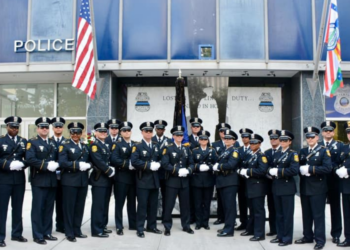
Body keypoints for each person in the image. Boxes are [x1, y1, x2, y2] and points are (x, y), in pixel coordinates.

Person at [295, 127, 332, 250]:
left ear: (317, 137)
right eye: (308, 137)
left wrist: (311, 169)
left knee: (318, 215)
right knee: (306, 214)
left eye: (312, 137)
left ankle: (320, 240)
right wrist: (301, 171)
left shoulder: (323, 151)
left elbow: (328, 168)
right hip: (305, 188)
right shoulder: (303, 151)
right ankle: (307, 236)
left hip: (318, 188)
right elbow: (298, 167)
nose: (310, 139)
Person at [26, 117, 59, 245]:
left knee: (49, 208)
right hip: (39, 180)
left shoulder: (52, 143)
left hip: (51, 180)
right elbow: (30, 159)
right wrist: (45, 165)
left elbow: (58, 157)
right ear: (37, 129)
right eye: (42, 127)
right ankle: (38, 235)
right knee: (38, 208)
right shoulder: (32, 142)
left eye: (46, 127)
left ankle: (47, 232)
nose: (44, 129)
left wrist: (57, 165)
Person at [58, 122, 91, 242]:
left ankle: (77, 230)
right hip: (70, 181)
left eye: (78, 132)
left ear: (81, 133)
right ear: (70, 133)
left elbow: (91, 160)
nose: (75, 134)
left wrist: (88, 165)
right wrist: (77, 165)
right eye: (73, 132)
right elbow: (62, 162)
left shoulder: (85, 146)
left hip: (83, 181)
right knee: (69, 208)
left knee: (79, 207)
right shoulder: (65, 145)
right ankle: (69, 232)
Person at [130, 122, 162, 238]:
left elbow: (162, 158)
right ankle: (140, 228)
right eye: (146, 131)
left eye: (150, 131)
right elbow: (134, 161)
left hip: (154, 180)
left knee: (153, 205)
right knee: (142, 205)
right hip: (142, 180)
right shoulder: (137, 146)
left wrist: (159, 163)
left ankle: (151, 226)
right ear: (142, 132)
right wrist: (148, 165)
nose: (148, 133)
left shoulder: (156, 145)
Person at [161, 125, 194, 236]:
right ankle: (167, 226)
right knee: (169, 205)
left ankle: (186, 226)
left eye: (181, 135)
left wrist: (188, 170)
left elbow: (192, 163)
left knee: (185, 205)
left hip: (184, 181)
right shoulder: (168, 148)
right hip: (172, 181)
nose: (179, 136)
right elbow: (165, 164)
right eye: (177, 135)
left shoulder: (186, 148)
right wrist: (177, 170)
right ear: (173, 136)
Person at [0, 116, 28, 247]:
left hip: (19, 179)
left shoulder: (23, 141)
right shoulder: (1, 140)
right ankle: (0, 236)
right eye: (12, 127)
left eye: (16, 127)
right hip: (4, 179)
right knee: (2, 209)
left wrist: (22, 164)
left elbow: (29, 158)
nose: (14, 129)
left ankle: (17, 234)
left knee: (17, 208)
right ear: (7, 127)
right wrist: (8, 164)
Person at [268, 130, 299, 246]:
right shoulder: (277, 153)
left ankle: (287, 238)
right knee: (279, 214)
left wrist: (279, 171)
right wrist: (270, 172)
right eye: (281, 140)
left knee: (287, 215)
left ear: (290, 142)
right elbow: (271, 167)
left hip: (287, 187)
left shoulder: (293, 154)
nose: (282, 142)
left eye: (285, 140)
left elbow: (294, 170)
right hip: (276, 187)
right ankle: (279, 235)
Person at [239, 134, 268, 241]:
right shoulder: (250, 155)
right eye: (251, 143)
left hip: (258, 187)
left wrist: (248, 172)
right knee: (251, 210)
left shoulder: (261, 156)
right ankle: (251, 229)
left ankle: (259, 234)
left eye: (254, 143)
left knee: (258, 211)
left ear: (259, 144)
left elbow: (262, 170)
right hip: (249, 186)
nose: (252, 145)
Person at [110, 121, 137, 235]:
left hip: (133, 178)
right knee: (119, 203)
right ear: (120, 132)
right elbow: (114, 159)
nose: (127, 132)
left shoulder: (136, 144)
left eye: (128, 130)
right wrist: (127, 164)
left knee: (132, 203)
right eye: (124, 130)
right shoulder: (117, 144)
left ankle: (133, 224)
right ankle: (119, 226)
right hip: (121, 178)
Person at [89, 123, 115, 238]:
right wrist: (109, 170)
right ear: (96, 133)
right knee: (98, 206)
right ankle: (96, 230)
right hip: (99, 179)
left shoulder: (105, 145)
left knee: (105, 204)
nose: (103, 133)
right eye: (100, 131)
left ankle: (102, 226)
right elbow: (98, 161)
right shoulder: (95, 145)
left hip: (107, 180)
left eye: (105, 131)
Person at [320, 121, 343, 244]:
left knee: (335, 209)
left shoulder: (340, 146)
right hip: (319, 182)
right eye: (325, 130)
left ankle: (336, 234)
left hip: (334, 182)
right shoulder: (317, 145)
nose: (328, 132)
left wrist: (329, 167)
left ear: (333, 132)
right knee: (318, 210)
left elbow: (340, 161)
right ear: (322, 133)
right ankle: (319, 234)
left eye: (330, 130)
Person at [211, 123, 239, 225]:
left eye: (229, 138)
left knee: (230, 204)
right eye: (225, 138)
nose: (226, 140)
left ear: (234, 141)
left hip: (229, 179)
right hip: (222, 179)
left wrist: (218, 166)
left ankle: (229, 226)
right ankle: (226, 224)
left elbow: (231, 164)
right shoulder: (224, 150)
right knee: (224, 202)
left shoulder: (234, 149)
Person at [190, 130, 217, 230]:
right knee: (197, 203)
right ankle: (198, 223)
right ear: (199, 140)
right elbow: (191, 163)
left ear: (207, 140)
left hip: (208, 179)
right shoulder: (195, 150)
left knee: (207, 203)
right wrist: (198, 167)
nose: (203, 140)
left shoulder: (212, 150)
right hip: (197, 179)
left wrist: (209, 167)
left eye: (205, 139)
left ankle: (205, 223)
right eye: (201, 139)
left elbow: (216, 163)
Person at [152, 119, 172, 220]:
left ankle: (165, 217)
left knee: (166, 197)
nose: (160, 130)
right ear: (155, 129)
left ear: (164, 130)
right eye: (158, 128)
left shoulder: (169, 141)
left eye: (162, 129)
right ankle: (153, 217)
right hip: (153, 173)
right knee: (153, 197)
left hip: (165, 174)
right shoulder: (151, 140)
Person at [236, 128, 254, 231]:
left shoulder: (254, 149)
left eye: (246, 137)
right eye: (242, 137)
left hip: (251, 180)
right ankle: (243, 222)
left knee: (250, 204)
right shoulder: (238, 149)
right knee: (242, 202)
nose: (244, 138)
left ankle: (251, 224)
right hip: (241, 180)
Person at [51, 117, 66, 234]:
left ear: (63, 128)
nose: (58, 128)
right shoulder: (48, 141)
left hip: (64, 176)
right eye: (56, 126)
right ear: (53, 128)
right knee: (49, 203)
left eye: (60, 126)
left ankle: (61, 225)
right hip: (50, 176)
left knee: (62, 203)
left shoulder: (67, 142)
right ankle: (47, 228)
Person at [264, 129, 280, 237]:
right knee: (271, 207)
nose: (273, 140)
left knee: (279, 209)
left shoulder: (283, 151)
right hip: (269, 183)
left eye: (275, 138)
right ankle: (273, 229)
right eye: (271, 138)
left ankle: (279, 230)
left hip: (281, 183)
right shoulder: (267, 152)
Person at [336, 122, 350, 247]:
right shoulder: (344, 147)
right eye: (349, 132)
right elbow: (338, 162)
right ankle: (348, 238)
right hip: (346, 187)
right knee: (347, 214)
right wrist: (338, 169)